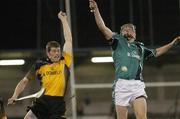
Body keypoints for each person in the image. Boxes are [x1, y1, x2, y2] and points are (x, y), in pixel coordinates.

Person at [89, 0, 180, 119]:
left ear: (135, 34)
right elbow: (102, 27)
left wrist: (172, 44)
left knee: (142, 117)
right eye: (125, 29)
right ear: (121, 33)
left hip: (137, 85)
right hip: (121, 85)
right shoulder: (117, 41)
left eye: (130, 28)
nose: (128, 30)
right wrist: (95, 10)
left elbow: (156, 52)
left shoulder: (140, 48)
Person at [7, 11, 72, 119]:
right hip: (42, 102)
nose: (57, 53)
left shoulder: (64, 61)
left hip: (57, 104)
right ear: (48, 53)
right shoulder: (40, 64)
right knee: (28, 118)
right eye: (54, 51)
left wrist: (64, 20)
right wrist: (15, 95)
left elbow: (68, 40)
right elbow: (24, 81)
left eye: (58, 51)